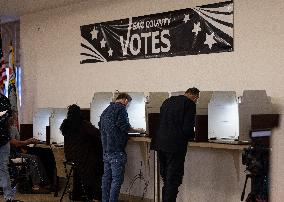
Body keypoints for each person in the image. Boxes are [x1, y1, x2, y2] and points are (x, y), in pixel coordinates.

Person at [150, 87, 200, 202]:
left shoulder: (168, 101)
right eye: (196, 99)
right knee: (173, 178)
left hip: (159, 143)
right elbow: (187, 128)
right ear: (194, 96)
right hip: (175, 146)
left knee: (166, 178)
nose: (196, 101)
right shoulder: (189, 104)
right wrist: (193, 136)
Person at [99, 92, 145, 202]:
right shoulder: (121, 109)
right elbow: (124, 126)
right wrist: (138, 130)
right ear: (125, 100)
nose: (127, 105)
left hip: (106, 150)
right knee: (116, 180)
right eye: (128, 103)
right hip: (116, 150)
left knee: (106, 179)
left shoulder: (106, 110)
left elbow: (100, 126)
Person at [60, 104, 103, 201]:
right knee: (98, 164)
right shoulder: (83, 124)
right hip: (82, 157)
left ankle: (78, 193)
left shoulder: (65, 125)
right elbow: (97, 134)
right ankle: (95, 196)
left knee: (80, 168)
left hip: (71, 156)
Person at [0, 93, 23, 202]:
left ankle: (9, 197)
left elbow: (10, 118)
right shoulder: (4, 100)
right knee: (3, 168)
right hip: (4, 138)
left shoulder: (4, 99)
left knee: (3, 168)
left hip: (4, 140)